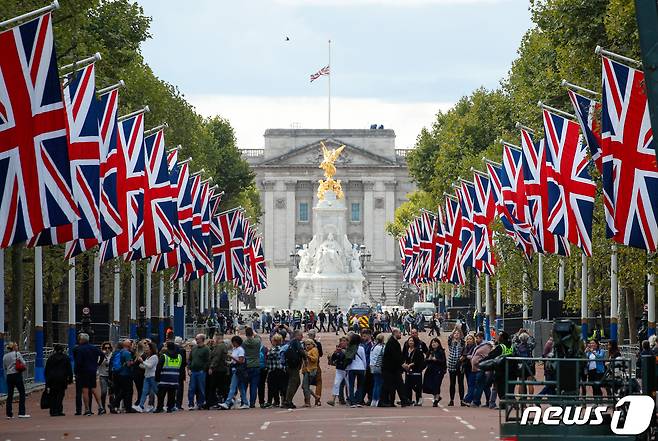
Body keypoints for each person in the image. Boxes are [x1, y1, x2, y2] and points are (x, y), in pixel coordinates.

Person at [72, 333, 104, 416]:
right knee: (94, 389)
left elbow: (78, 362)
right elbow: (102, 354)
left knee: (85, 390)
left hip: (83, 371)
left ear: (81, 340)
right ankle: (100, 407)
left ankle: (87, 409)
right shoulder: (93, 348)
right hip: (92, 370)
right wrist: (97, 364)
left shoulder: (79, 349)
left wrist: (76, 371)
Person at [381, 328, 410, 407]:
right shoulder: (392, 343)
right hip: (390, 369)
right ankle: (387, 401)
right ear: (395, 333)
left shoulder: (393, 342)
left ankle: (399, 401)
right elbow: (395, 355)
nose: (400, 335)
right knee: (391, 385)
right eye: (399, 333)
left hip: (393, 369)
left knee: (396, 385)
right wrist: (402, 364)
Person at [218, 335, 249, 410]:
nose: (232, 344)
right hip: (235, 369)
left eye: (233, 342)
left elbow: (241, 361)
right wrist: (230, 362)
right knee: (241, 387)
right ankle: (245, 403)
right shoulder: (236, 349)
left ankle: (227, 402)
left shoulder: (240, 350)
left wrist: (231, 357)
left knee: (232, 387)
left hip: (238, 370)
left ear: (236, 342)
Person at [44, 343, 73, 417]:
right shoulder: (66, 358)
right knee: (60, 395)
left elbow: (47, 370)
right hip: (62, 379)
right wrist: (70, 379)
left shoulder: (51, 358)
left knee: (53, 394)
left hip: (52, 379)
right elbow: (69, 369)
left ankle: (53, 411)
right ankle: (59, 410)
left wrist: (47, 380)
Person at [109, 339, 137, 414]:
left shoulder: (119, 352)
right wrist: (133, 362)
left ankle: (120, 405)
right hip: (126, 374)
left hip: (118, 374)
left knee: (123, 391)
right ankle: (116, 404)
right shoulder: (127, 353)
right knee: (128, 391)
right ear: (128, 346)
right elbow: (128, 364)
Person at [154, 341, 182, 413]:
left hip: (164, 378)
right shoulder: (179, 357)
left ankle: (159, 408)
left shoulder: (164, 356)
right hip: (174, 379)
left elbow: (158, 368)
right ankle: (170, 408)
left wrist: (157, 378)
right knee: (172, 395)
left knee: (161, 395)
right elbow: (181, 368)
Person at [466, 332, 492, 407]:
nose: (476, 339)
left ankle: (476, 402)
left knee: (479, 386)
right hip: (478, 368)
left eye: (477, 338)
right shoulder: (480, 346)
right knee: (485, 387)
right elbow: (477, 355)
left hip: (481, 369)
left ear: (481, 338)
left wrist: (477, 362)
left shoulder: (485, 346)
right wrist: (471, 357)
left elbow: (486, 357)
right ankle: (488, 402)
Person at [133, 342, 159, 412]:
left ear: (151, 349)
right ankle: (140, 406)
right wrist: (141, 364)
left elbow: (150, 365)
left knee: (157, 391)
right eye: (146, 348)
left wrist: (142, 362)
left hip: (152, 377)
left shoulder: (155, 357)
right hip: (147, 376)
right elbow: (146, 366)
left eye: (148, 348)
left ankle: (161, 405)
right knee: (144, 391)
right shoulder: (148, 357)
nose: (146, 349)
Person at [188, 333, 210, 410]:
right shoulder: (194, 348)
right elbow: (190, 359)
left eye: (197, 338)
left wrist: (204, 369)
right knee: (191, 388)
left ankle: (201, 403)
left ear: (201, 339)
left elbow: (208, 360)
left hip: (201, 371)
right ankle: (191, 404)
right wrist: (189, 368)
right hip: (193, 371)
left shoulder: (206, 349)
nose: (196, 340)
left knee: (201, 388)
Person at [284, 330, 305, 409]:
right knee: (294, 383)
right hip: (293, 366)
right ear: (296, 335)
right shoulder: (296, 342)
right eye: (301, 335)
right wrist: (306, 356)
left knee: (295, 382)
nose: (302, 337)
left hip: (291, 365)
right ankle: (288, 401)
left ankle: (288, 400)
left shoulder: (291, 343)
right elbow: (301, 351)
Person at [345, 333, 367, 407]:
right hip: (361, 368)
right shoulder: (361, 348)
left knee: (351, 385)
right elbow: (364, 359)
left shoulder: (349, 347)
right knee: (360, 385)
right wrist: (365, 368)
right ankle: (358, 400)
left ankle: (352, 401)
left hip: (352, 368)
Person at [423, 338, 446, 407]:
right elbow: (426, 360)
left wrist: (436, 360)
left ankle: (436, 399)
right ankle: (437, 396)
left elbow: (443, 361)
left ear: (438, 344)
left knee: (436, 384)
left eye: (435, 342)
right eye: (432, 342)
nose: (433, 344)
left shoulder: (441, 351)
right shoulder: (430, 351)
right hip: (430, 370)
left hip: (438, 370)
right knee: (428, 384)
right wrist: (428, 359)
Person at [242, 327, 262, 408]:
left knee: (244, 385)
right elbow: (258, 337)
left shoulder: (244, 343)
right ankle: (252, 403)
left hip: (246, 365)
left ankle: (244, 401)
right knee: (254, 386)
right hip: (256, 364)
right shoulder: (257, 341)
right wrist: (254, 332)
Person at [208, 334, 230, 408]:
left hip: (218, 369)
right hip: (222, 369)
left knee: (214, 387)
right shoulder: (223, 346)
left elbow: (216, 358)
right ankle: (223, 401)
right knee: (222, 387)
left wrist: (211, 367)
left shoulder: (219, 347)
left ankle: (214, 402)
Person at [265, 333, 286, 408]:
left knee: (272, 387)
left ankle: (274, 401)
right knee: (281, 387)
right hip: (281, 370)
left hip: (273, 370)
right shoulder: (283, 348)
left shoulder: (273, 349)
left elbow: (269, 355)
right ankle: (282, 401)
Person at [403, 336, 425, 406]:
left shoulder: (418, 350)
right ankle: (408, 399)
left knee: (417, 386)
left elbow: (420, 360)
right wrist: (405, 365)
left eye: (412, 341)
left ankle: (419, 399)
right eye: (409, 341)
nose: (411, 342)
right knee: (408, 385)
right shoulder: (406, 349)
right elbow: (404, 358)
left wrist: (411, 364)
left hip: (416, 371)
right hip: (408, 371)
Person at [327, 336, 349, 406]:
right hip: (339, 369)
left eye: (344, 341)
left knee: (348, 385)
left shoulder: (349, 349)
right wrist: (335, 353)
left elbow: (348, 358)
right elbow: (333, 359)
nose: (342, 342)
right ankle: (333, 399)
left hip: (347, 369)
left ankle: (350, 399)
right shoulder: (339, 349)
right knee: (336, 383)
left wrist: (343, 352)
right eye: (341, 341)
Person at [447, 328, 465, 406]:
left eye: (458, 333)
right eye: (455, 334)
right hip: (452, 364)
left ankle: (462, 400)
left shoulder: (462, 342)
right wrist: (454, 329)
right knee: (452, 383)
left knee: (461, 383)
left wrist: (460, 330)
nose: (456, 334)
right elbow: (449, 337)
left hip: (460, 364)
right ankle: (451, 400)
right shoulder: (451, 342)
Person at [301, 339, 320, 407]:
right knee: (304, 386)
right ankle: (315, 396)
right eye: (306, 345)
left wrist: (308, 356)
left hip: (311, 370)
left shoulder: (314, 350)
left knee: (305, 386)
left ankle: (308, 402)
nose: (307, 346)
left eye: (309, 344)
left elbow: (315, 359)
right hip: (306, 370)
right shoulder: (307, 351)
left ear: (312, 344)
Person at [369, 333, 385, 407]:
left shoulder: (373, 347)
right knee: (379, 384)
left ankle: (373, 400)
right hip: (379, 366)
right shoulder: (381, 347)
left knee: (375, 384)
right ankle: (377, 399)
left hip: (372, 366)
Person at [307, 329, 323, 405]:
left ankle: (307, 401)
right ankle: (317, 400)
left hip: (307, 365)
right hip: (316, 365)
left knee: (307, 383)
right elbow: (321, 354)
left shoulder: (305, 343)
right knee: (318, 382)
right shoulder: (318, 344)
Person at [460, 334, 476, 406]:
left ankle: (467, 399)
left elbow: (472, 356)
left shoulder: (475, 347)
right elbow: (462, 355)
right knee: (470, 384)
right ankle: (471, 400)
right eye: (468, 339)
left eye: (470, 339)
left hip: (472, 367)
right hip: (466, 367)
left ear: (473, 340)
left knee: (471, 384)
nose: (469, 340)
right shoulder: (465, 347)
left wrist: (465, 356)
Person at [98, 342, 112, 413]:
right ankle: (103, 407)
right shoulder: (100, 355)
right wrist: (103, 357)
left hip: (111, 376)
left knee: (111, 392)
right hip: (103, 376)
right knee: (103, 392)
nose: (107, 349)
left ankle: (111, 407)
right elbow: (98, 364)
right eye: (105, 348)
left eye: (108, 348)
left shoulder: (112, 355)